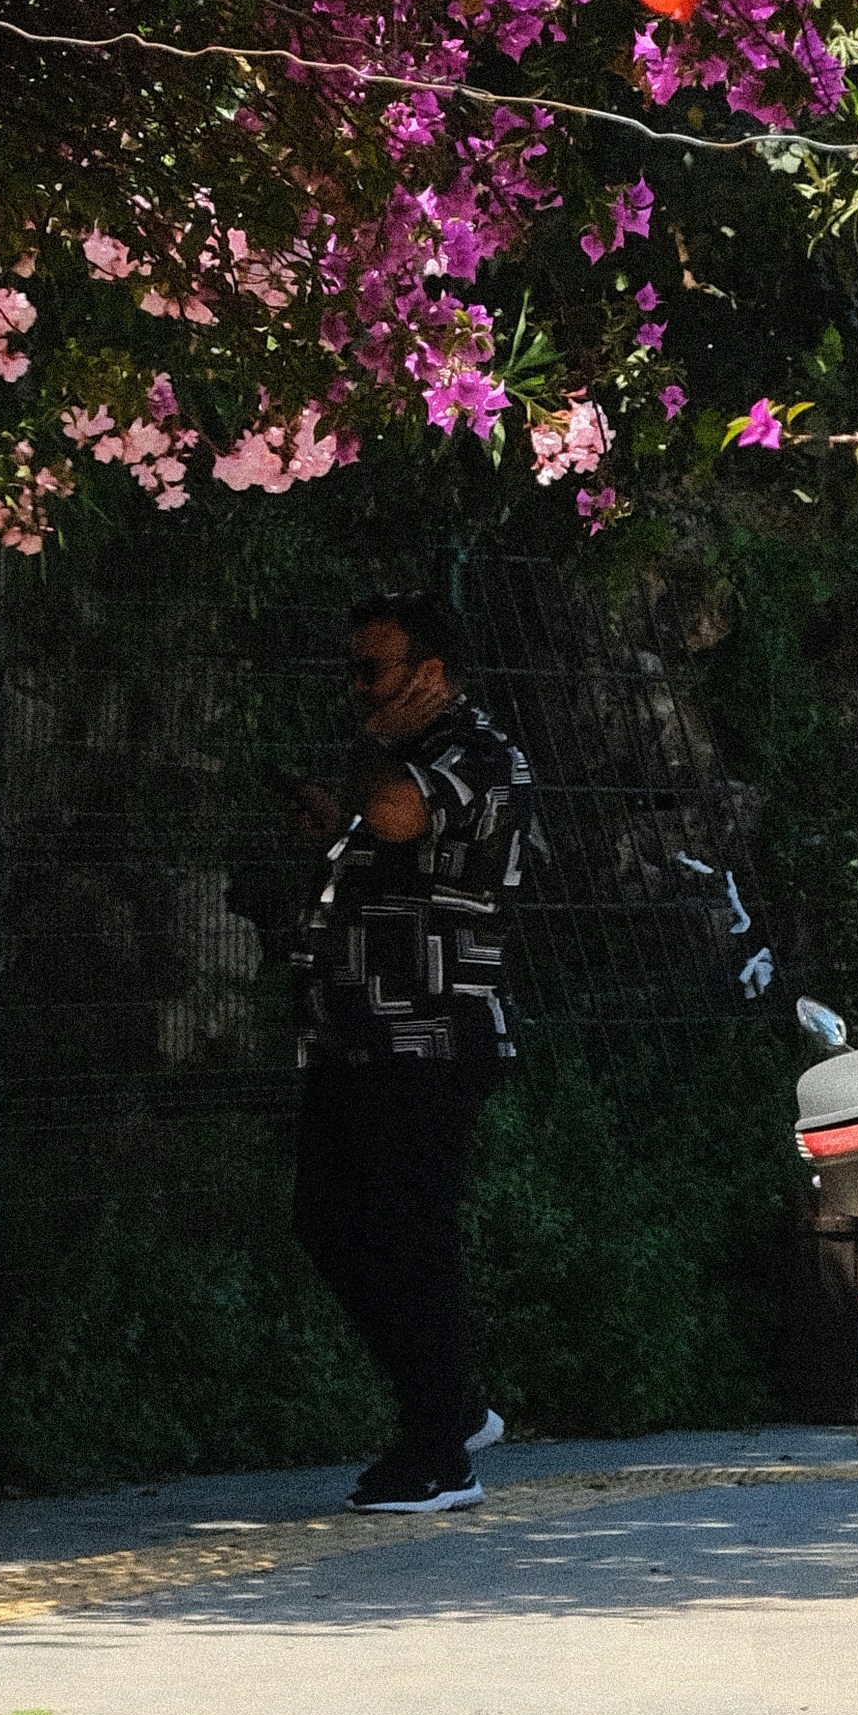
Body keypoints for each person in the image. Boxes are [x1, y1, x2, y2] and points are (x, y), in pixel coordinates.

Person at [286, 592, 537, 1518]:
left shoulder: (476, 752)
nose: (357, 688)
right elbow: (385, 844)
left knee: (409, 1234)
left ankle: (440, 1455)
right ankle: (452, 1407)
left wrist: (370, 750)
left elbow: (396, 813)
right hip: (354, 1035)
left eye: (373, 670)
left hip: (429, 1037)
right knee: (329, 1219)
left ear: (431, 673)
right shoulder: (407, 755)